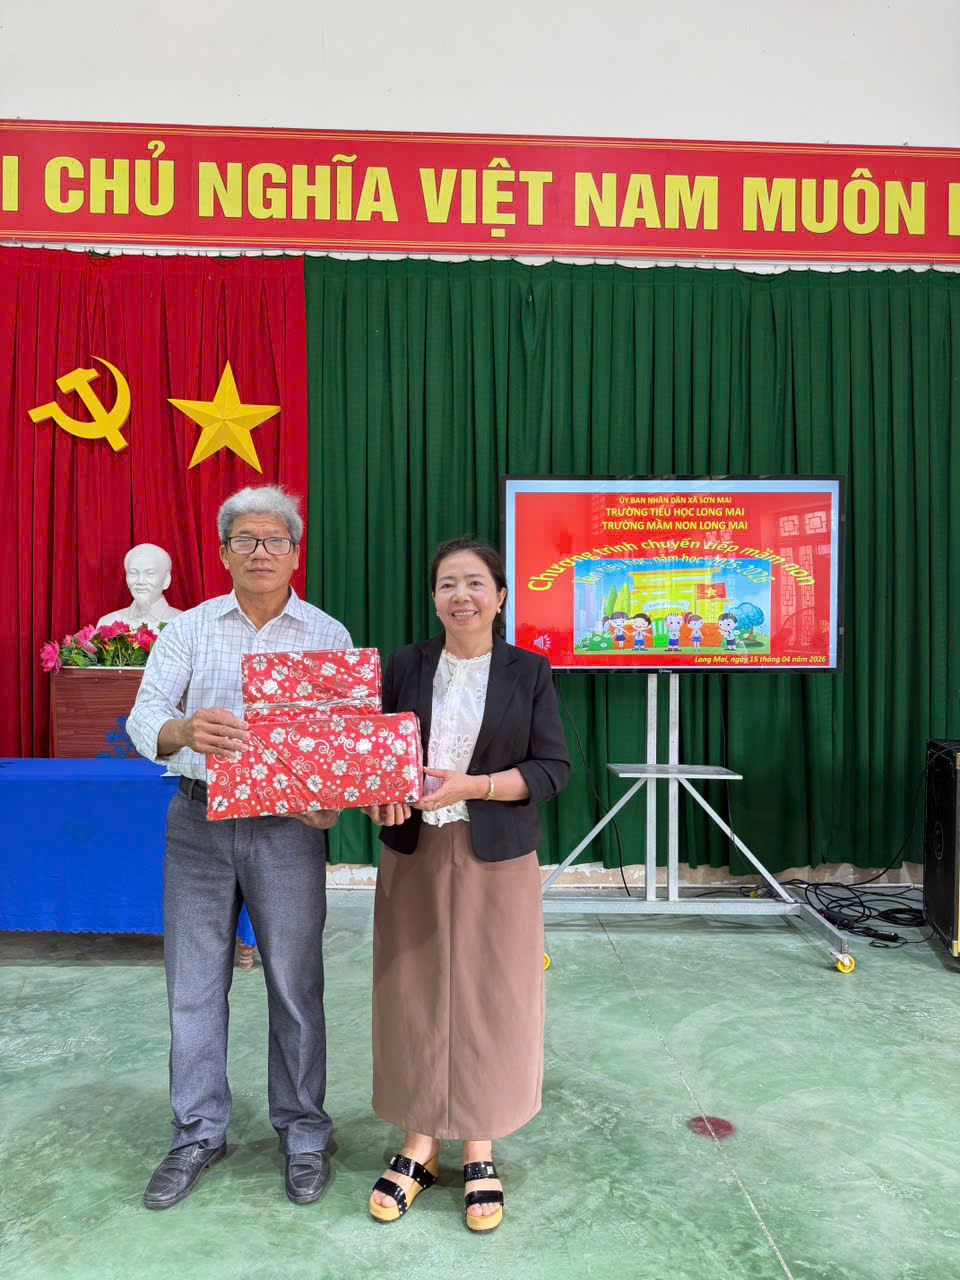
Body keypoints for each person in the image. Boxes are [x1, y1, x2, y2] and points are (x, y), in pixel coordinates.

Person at [126, 485, 350, 1211]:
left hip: (288, 828)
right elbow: (144, 716)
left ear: (295, 553)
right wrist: (184, 731)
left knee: (295, 984)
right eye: (245, 540)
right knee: (193, 985)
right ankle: (198, 1132)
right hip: (199, 822)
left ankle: (305, 1132)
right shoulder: (189, 629)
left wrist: (330, 796)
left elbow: (342, 741)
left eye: (274, 540)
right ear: (223, 553)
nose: (260, 552)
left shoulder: (328, 635)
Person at [364, 537, 570, 1232]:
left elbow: (552, 769)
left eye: (476, 583)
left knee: (492, 995)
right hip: (413, 850)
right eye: (448, 583)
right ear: (433, 598)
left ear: (500, 597)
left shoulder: (529, 671)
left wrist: (475, 786)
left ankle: (479, 1145)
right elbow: (374, 758)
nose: (462, 595)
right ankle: (419, 1143)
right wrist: (377, 798)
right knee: (411, 988)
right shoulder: (405, 665)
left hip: (497, 855)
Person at [96, 543, 183, 629]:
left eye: (150, 573)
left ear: (166, 579)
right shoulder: (107, 623)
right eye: (133, 573)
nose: (140, 581)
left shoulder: (182, 623)